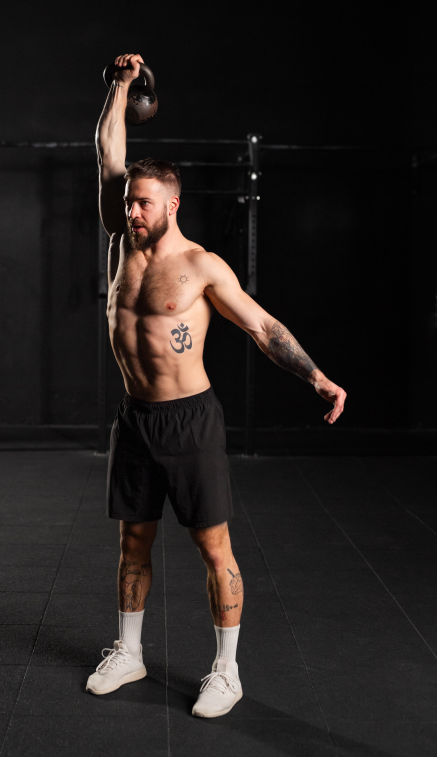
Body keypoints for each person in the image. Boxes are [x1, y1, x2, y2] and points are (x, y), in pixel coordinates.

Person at [86, 53, 347, 718]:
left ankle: (226, 670)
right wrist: (120, 88)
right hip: (137, 419)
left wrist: (315, 376)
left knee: (213, 548)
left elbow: (262, 327)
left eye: (143, 203)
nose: (131, 210)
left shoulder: (202, 267)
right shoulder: (120, 240)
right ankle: (130, 651)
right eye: (127, 202)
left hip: (190, 421)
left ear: (172, 205)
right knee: (133, 543)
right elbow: (107, 153)